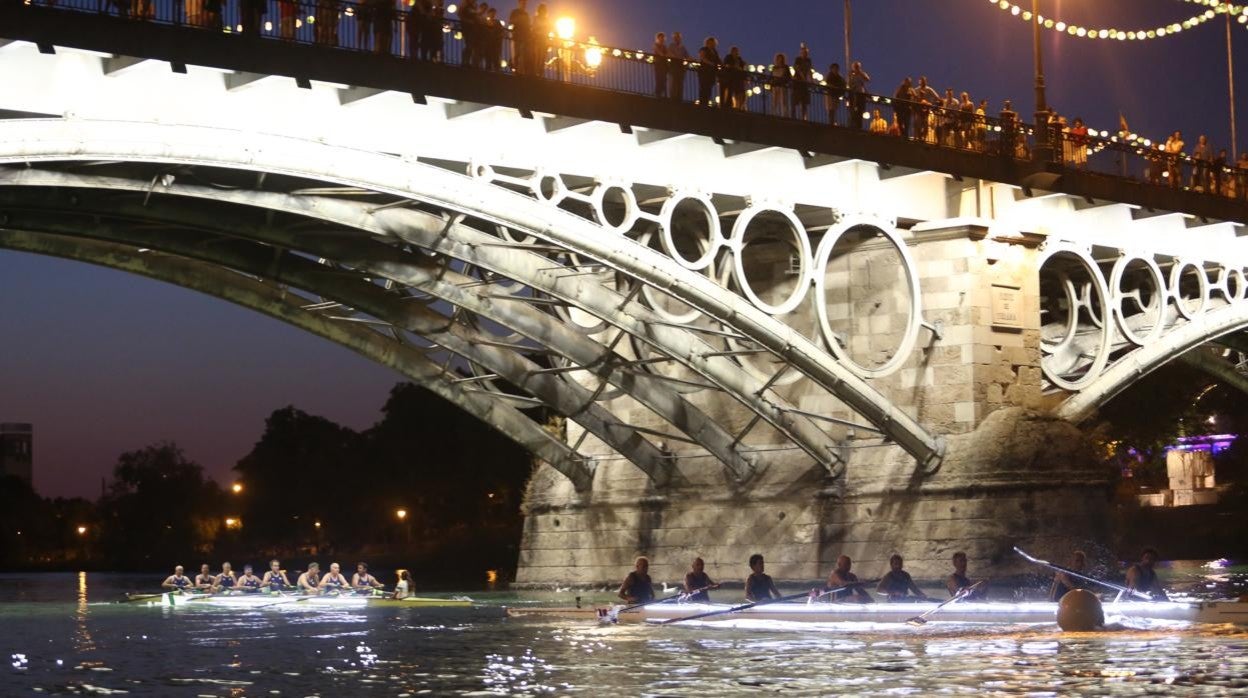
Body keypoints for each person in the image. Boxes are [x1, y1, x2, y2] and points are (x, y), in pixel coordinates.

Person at [791, 43, 812, 121]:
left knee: (804, 101)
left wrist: (811, 80)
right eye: (803, 53)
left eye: (805, 53)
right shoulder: (798, 59)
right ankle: (793, 116)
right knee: (795, 99)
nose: (804, 54)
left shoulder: (808, 60)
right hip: (797, 81)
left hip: (804, 83)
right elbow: (797, 69)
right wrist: (803, 78)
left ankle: (803, 117)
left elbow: (809, 70)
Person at [696, 37, 720, 107]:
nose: (712, 44)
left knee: (709, 88)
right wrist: (711, 63)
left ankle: (706, 102)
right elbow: (702, 58)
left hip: (712, 73)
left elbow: (718, 60)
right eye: (711, 43)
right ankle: (702, 103)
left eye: (713, 43)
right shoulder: (703, 49)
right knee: (703, 87)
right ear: (707, 43)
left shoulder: (715, 51)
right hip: (704, 71)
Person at [666, 32, 689, 102]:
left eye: (678, 37)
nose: (677, 38)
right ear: (673, 38)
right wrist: (677, 58)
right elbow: (669, 53)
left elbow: (687, 56)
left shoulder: (683, 47)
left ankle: (679, 98)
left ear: (680, 38)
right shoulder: (671, 45)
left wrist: (693, 59)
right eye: (675, 37)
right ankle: (673, 98)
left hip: (680, 66)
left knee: (680, 82)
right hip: (674, 65)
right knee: (674, 82)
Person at [509, 0, 530, 75]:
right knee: (516, 53)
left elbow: (528, 26)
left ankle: (520, 70)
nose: (524, 5)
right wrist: (518, 20)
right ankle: (515, 69)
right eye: (523, 3)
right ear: (519, 3)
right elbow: (510, 21)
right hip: (517, 35)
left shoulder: (526, 14)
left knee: (522, 54)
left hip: (524, 37)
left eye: (525, 3)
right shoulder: (514, 12)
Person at [847, 61, 869, 130]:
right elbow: (849, 83)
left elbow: (867, 79)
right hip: (853, 94)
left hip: (861, 94)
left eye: (857, 66)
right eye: (855, 66)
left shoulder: (862, 74)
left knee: (860, 110)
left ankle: (859, 125)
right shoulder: (851, 75)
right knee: (853, 110)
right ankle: (853, 125)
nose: (856, 68)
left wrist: (860, 73)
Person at [770, 52, 790, 118]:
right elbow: (771, 77)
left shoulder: (785, 67)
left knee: (783, 100)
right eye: (778, 59)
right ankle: (774, 113)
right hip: (775, 85)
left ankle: (784, 114)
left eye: (781, 58)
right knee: (774, 100)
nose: (779, 60)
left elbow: (788, 77)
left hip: (782, 85)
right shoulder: (774, 68)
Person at [651, 33, 668, 99]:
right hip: (658, 64)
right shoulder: (655, 45)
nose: (662, 39)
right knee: (659, 79)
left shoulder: (664, 46)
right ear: (658, 38)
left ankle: (663, 94)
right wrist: (664, 55)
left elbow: (667, 53)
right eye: (661, 38)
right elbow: (659, 52)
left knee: (664, 79)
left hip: (664, 64)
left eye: (663, 38)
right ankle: (658, 94)